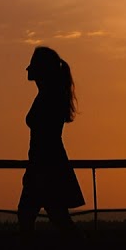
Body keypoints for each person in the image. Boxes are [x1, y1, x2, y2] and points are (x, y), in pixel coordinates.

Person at [18, 46, 84, 234]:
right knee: (57, 218)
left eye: (32, 64)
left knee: (29, 216)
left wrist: (34, 169)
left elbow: (45, 138)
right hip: (49, 165)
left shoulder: (48, 98)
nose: (27, 69)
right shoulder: (49, 96)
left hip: (44, 166)